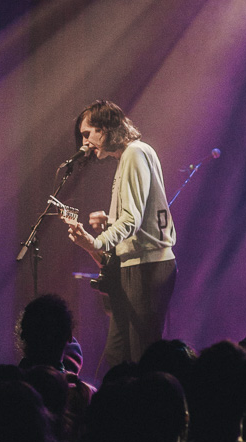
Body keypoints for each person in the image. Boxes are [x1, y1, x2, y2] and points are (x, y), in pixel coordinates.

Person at [67, 100, 176, 369]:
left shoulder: (134, 153)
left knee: (141, 355)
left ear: (104, 129)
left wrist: (96, 241)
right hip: (135, 265)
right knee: (117, 355)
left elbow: (132, 218)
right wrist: (110, 221)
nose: (85, 143)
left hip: (146, 266)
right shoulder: (131, 155)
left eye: (87, 134)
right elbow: (140, 213)